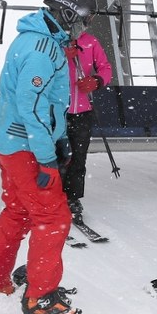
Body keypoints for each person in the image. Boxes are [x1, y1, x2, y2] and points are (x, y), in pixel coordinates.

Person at [0, 0, 97, 314]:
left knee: (18, 211)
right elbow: (33, 108)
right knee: (53, 217)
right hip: (26, 146)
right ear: (67, 12)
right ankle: (41, 298)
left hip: (12, 143)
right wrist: (47, 155)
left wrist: (56, 139)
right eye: (83, 18)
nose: (85, 26)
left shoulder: (35, 40)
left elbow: (37, 106)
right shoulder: (44, 50)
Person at [62, 31, 113, 220]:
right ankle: (51, 196)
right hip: (57, 110)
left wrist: (96, 81)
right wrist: (60, 56)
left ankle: (72, 197)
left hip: (83, 110)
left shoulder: (90, 41)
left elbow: (105, 68)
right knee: (55, 156)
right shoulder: (52, 39)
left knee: (78, 157)